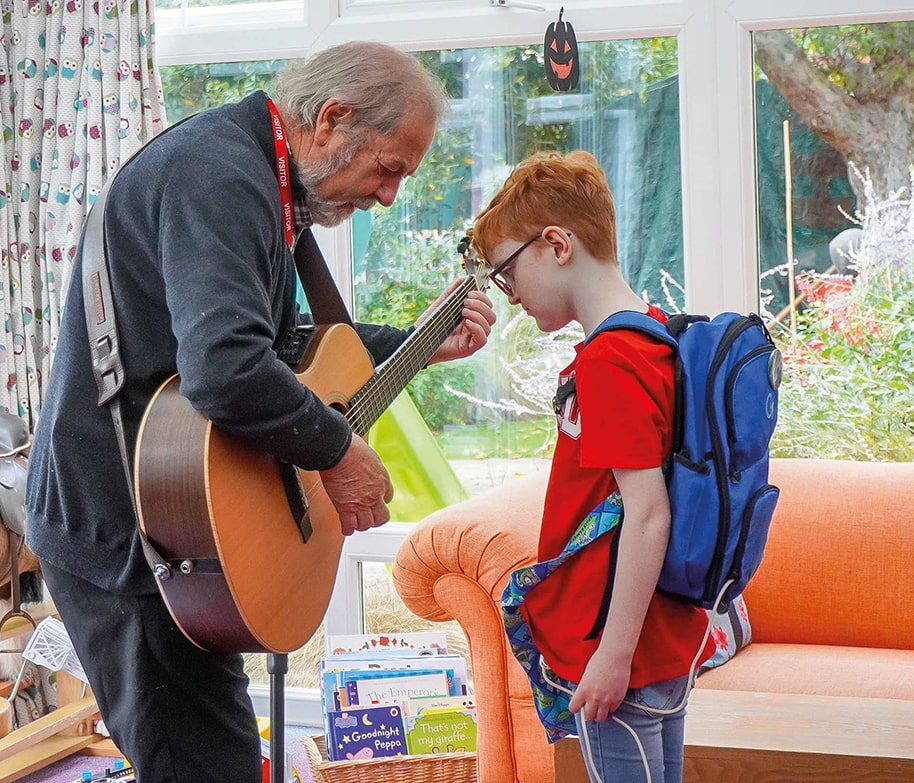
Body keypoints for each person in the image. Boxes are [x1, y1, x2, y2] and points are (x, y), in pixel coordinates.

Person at [25, 42, 495, 782]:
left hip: (174, 519)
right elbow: (226, 368)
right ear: (332, 119)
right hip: (125, 530)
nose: (388, 196)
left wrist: (418, 341)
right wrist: (337, 452)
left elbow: (275, 345)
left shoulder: (262, 178)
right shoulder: (218, 175)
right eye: (389, 167)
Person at [470, 150, 713, 783]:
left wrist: (612, 655)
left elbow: (649, 514)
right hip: (663, 636)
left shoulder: (609, 362)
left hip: (620, 647)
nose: (510, 293)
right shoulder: (658, 332)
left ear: (555, 244)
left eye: (505, 271)